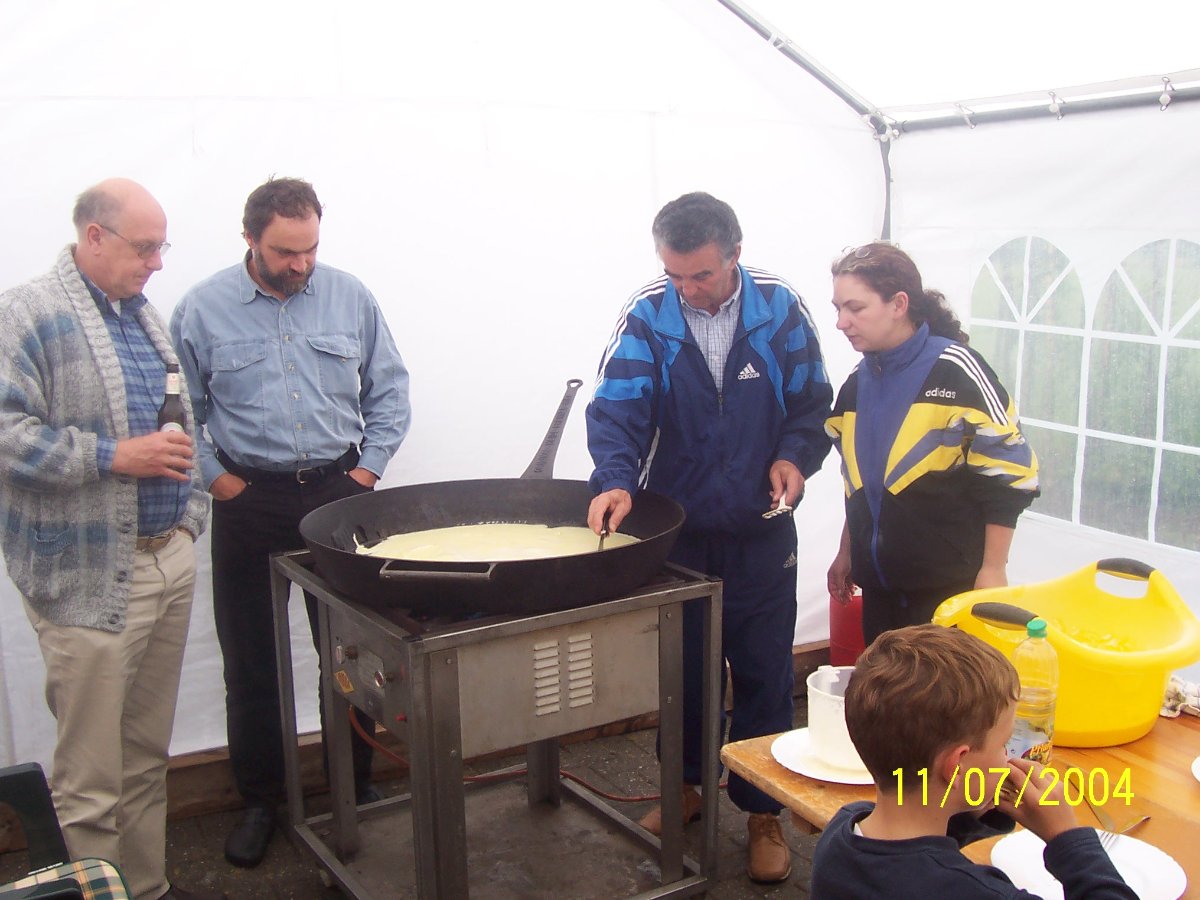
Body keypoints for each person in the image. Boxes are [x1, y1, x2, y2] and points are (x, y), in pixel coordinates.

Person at [586, 191, 833, 883]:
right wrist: (615, 481)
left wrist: (795, 457)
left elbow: (813, 402)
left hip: (762, 529)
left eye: (701, 275)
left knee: (763, 673)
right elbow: (617, 409)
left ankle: (762, 812)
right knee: (684, 671)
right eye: (675, 274)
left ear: (735, 255)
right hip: (680, 531)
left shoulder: (778, 307)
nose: (687, 289)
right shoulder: (648, 313)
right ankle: (687, 788)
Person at [170, 177, 411, 869]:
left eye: (310, 249)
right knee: (251, 663)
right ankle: (261, 802)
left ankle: (353, 787)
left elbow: (390, 388)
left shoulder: (350, 296)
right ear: (250, 239)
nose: (300, 264)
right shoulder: (201, 309)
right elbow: (179, 410)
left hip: (337, 497)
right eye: (284, 251)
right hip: (248, 503)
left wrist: (365, 473)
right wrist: (218, 481)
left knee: (351, 654)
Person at [0, 179, 219, 900]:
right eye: (145, 247)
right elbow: (6, 436)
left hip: (166, 561)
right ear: (93, 236)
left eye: (161, 247)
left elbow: (182, 429)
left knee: (145, 756)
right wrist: (113, 456)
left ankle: (145, 889)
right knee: (92, 779)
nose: (157, 262)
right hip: (87, 577)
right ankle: (98, 891)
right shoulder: (26, 314)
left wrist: (187, 522)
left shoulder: (141, 319)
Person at [811, 624, 1135, 898]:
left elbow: (912, 859)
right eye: (1004, 745)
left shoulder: (843, 831)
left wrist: (977, 805)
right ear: (958, 765)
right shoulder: (975, 891)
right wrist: (1066, 837)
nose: (1008, 758)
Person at [825, 242, 1039, 644]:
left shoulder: (958, 370)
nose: (841, 322)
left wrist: (993, 569)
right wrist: (847, 552)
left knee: (941, 687)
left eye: (855, 308)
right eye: (837, 308)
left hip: (946, 593)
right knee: (885, 685)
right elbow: (859, 481)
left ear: (898, 304)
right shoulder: (856, 384)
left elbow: (1011, 476)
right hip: (880, 593)